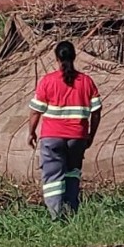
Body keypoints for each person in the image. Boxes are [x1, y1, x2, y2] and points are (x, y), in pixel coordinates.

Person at [27, 41, 102, 220]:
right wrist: (91, 134)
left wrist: (31, 132)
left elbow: (35, 111)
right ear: (74, 57)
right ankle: (71, 214)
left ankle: (56, 216)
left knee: (53, 177)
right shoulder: (86, 82)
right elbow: (97, 112)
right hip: (77, 137)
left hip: (52, 137)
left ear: (56, 58)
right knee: (72, 173)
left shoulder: (48, 81)